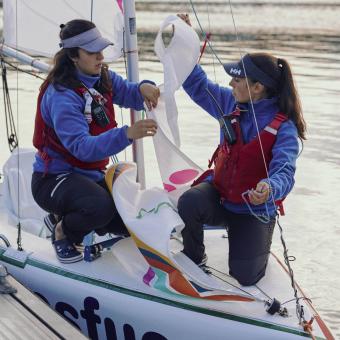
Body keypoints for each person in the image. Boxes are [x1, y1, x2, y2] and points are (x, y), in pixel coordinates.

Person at [177, 14, 306, 286]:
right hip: (221, 197)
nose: (230, 84)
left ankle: (252, 240)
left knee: (245, 277)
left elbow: (285, 171)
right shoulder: (229, 102)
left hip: (253, 210)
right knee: (189, 201)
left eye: (237, 80)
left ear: (257, 87)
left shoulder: (285, 129)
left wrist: (269, 188)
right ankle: (194, 258)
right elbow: (197, 85)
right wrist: (185, 41)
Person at [31, 19, 160, 264]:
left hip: (86, 178)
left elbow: (130, 93)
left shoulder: (101, 76)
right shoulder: (62, 96)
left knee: (127, 221)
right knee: (99, 209)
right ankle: (63, 232)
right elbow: (81, 148)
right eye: (92, 52)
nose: (100, 56)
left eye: (101, 49)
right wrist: (127, 134)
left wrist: (144, 87)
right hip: (52, 180)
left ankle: (63, 215)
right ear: (73, 56)